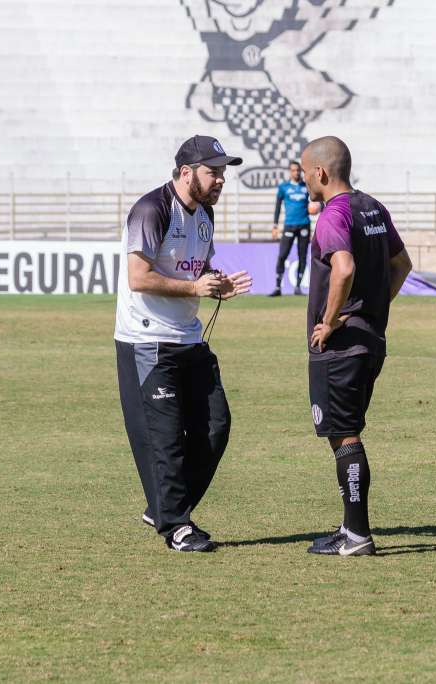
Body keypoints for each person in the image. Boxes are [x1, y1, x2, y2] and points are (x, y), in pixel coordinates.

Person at [114, 135, 252, 552]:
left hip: (189, 339)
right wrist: (195, 285)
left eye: (223, 172)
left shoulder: (205, 214)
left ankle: (164, 507)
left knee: (216, 425)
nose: (221, 180)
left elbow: (197, 269)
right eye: (213, 172)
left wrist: (216, 284)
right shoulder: (151, 209)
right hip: (147, 340)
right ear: (186, 172)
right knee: (167, 438)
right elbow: (139, 278)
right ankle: (176, 525)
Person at [300, 135, 413, 557]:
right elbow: (402, 264)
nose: (304, 178)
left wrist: (328, 322)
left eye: (305, 171)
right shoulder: (373, 207)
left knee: (344, 437)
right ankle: (350, 528)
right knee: (348, 431)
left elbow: (343, 268)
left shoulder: (334, 214)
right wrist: (374, 306)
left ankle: (357, 535)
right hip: (372, 338)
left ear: (321, 173)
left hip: (343, 346)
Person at [269, 161, 312, 296]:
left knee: (303, 256)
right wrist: (275, 225)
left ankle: (298, 287)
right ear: (290, 171)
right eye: (293, 170)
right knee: (282, 255)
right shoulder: (284, 187)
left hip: (304, 224)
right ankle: (277, 287)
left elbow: (319, 201)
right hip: (289, 225)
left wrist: (319, 207)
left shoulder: (307, 187)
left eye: (298, 170)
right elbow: (277, 206)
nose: (296, 173)